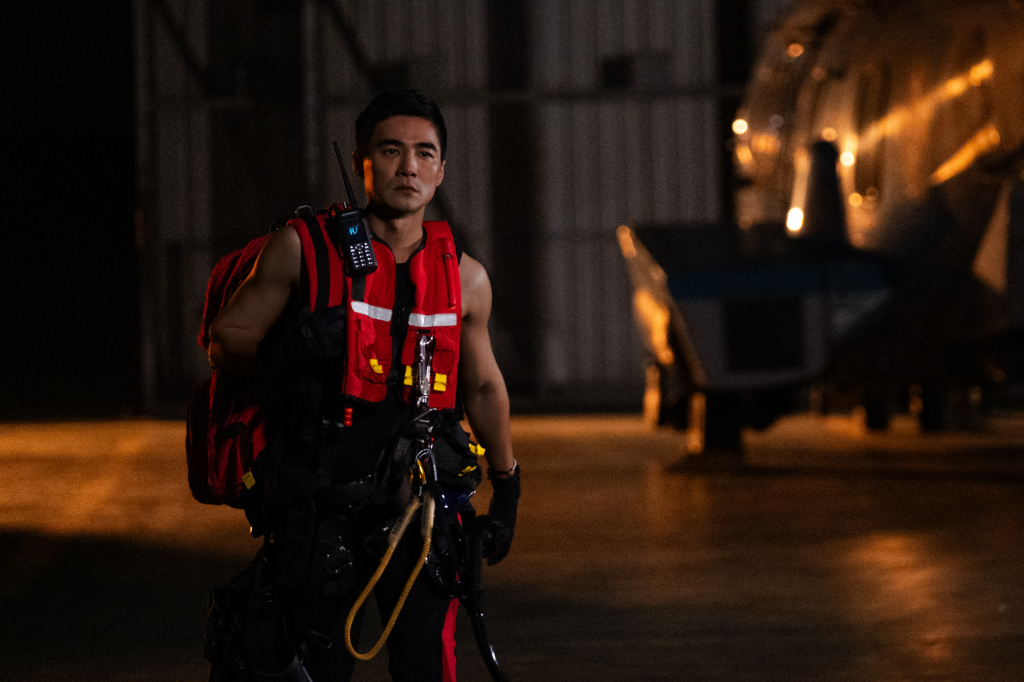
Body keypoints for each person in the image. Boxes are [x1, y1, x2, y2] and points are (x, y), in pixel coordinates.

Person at [207, 89, 520, 682]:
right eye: (391, 150)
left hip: (422, 513)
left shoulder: (465, 278)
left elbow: (482, 388)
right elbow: (226, 339)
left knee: (426, 668)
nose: (409, 167)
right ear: (360, 163)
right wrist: (291, 350)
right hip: (320, 510)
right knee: (318, 670)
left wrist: (507, 489)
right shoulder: (303, 251)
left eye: (425, 153)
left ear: (441, 170)